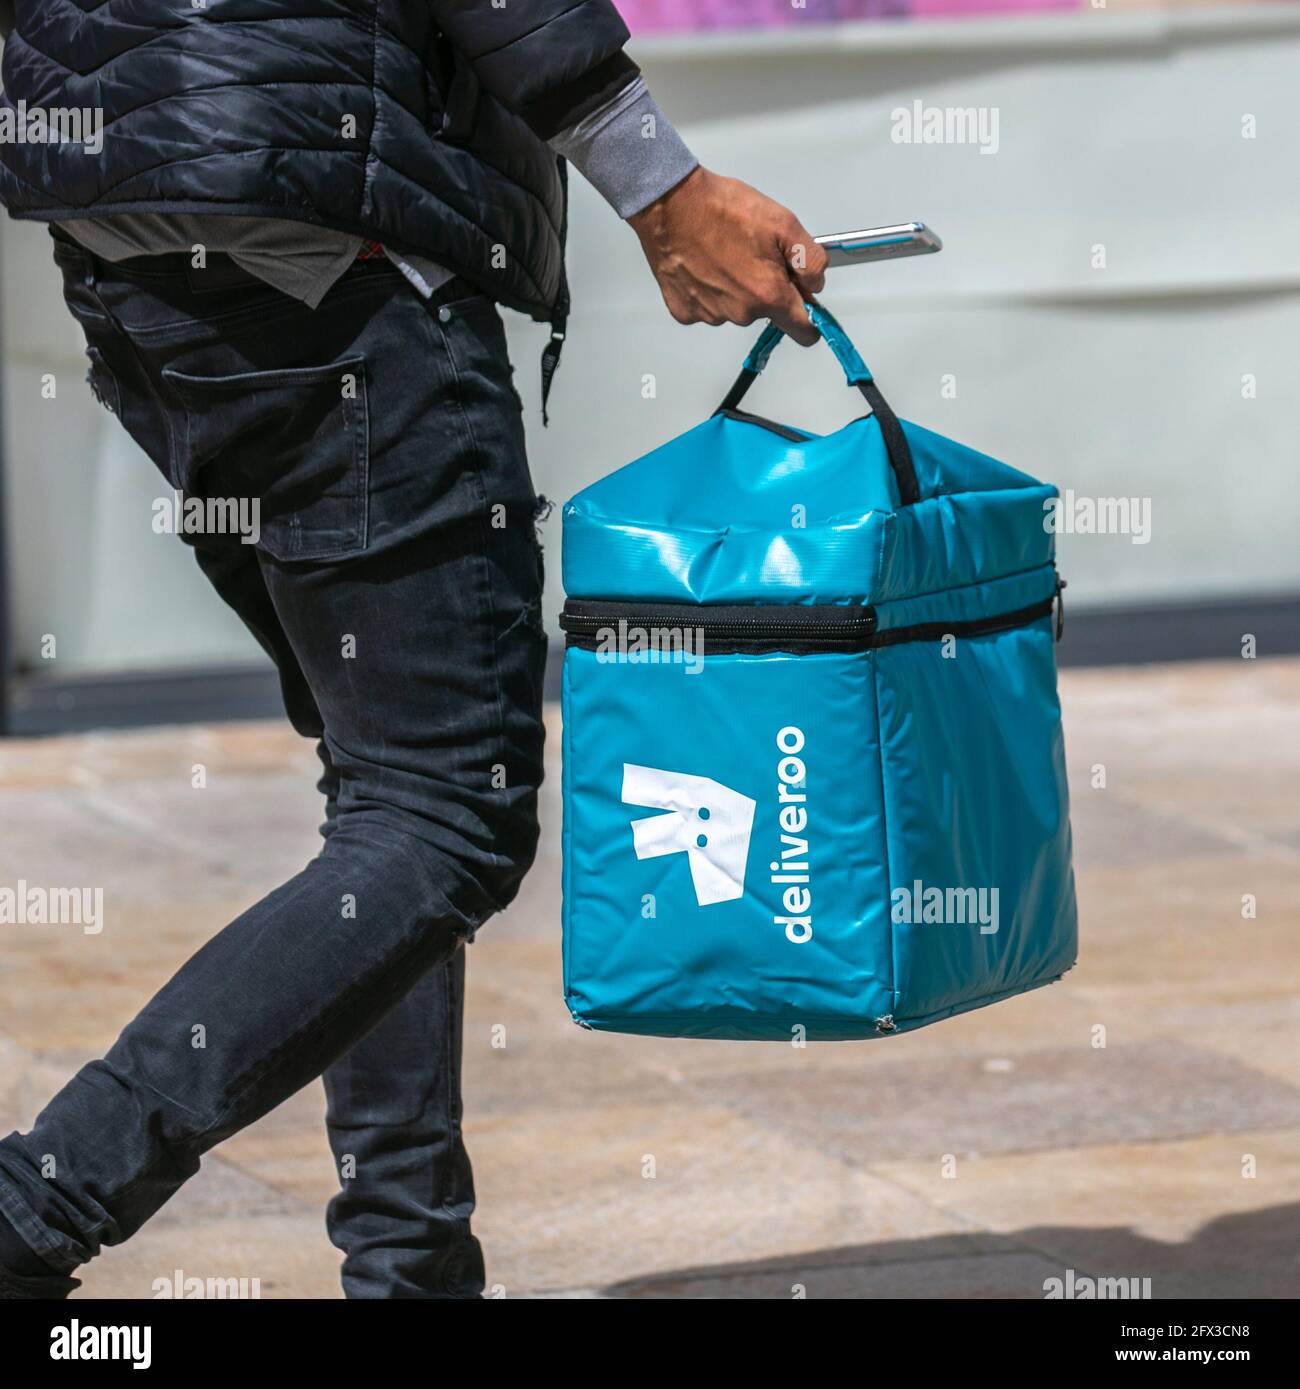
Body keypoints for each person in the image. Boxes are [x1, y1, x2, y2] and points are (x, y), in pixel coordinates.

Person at [0, 1, 827, 1298]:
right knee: (447, 814)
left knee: (385, 794)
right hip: (333, 263)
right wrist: (660, 188)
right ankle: (42, 1201)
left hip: (138, 252)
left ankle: (411, 1257)